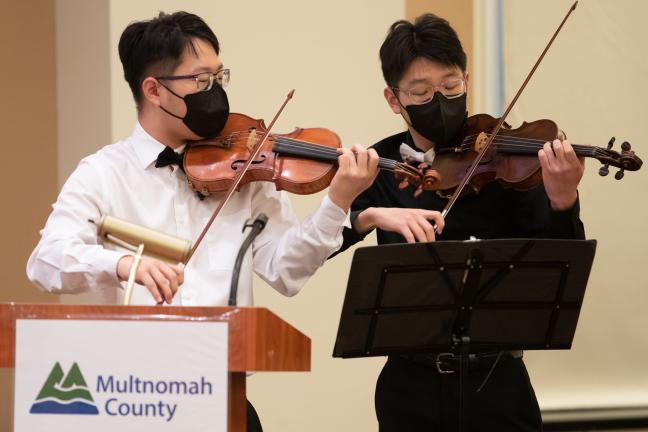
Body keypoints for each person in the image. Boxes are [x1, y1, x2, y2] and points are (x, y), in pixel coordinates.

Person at [26, 11, 378, 432]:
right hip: (133, 401)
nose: (216, 93)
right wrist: (124, 265)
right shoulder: (104, 173)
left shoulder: (244, 171)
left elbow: (287, 271)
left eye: (220, 77)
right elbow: (45, 262)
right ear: (154, 90)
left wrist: (338, 200)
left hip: (224, 397)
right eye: (202, 81)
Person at [331, 13, 585, 432]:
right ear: (394, 100)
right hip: (408, 386)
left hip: (498, 381)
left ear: (466, 79)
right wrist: (361, 214)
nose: (440, 101)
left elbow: (559, 264)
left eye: (451, 87)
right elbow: (320, 245)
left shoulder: (503, 160)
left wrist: (563, 199)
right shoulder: (379, 166)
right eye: (421, 92)